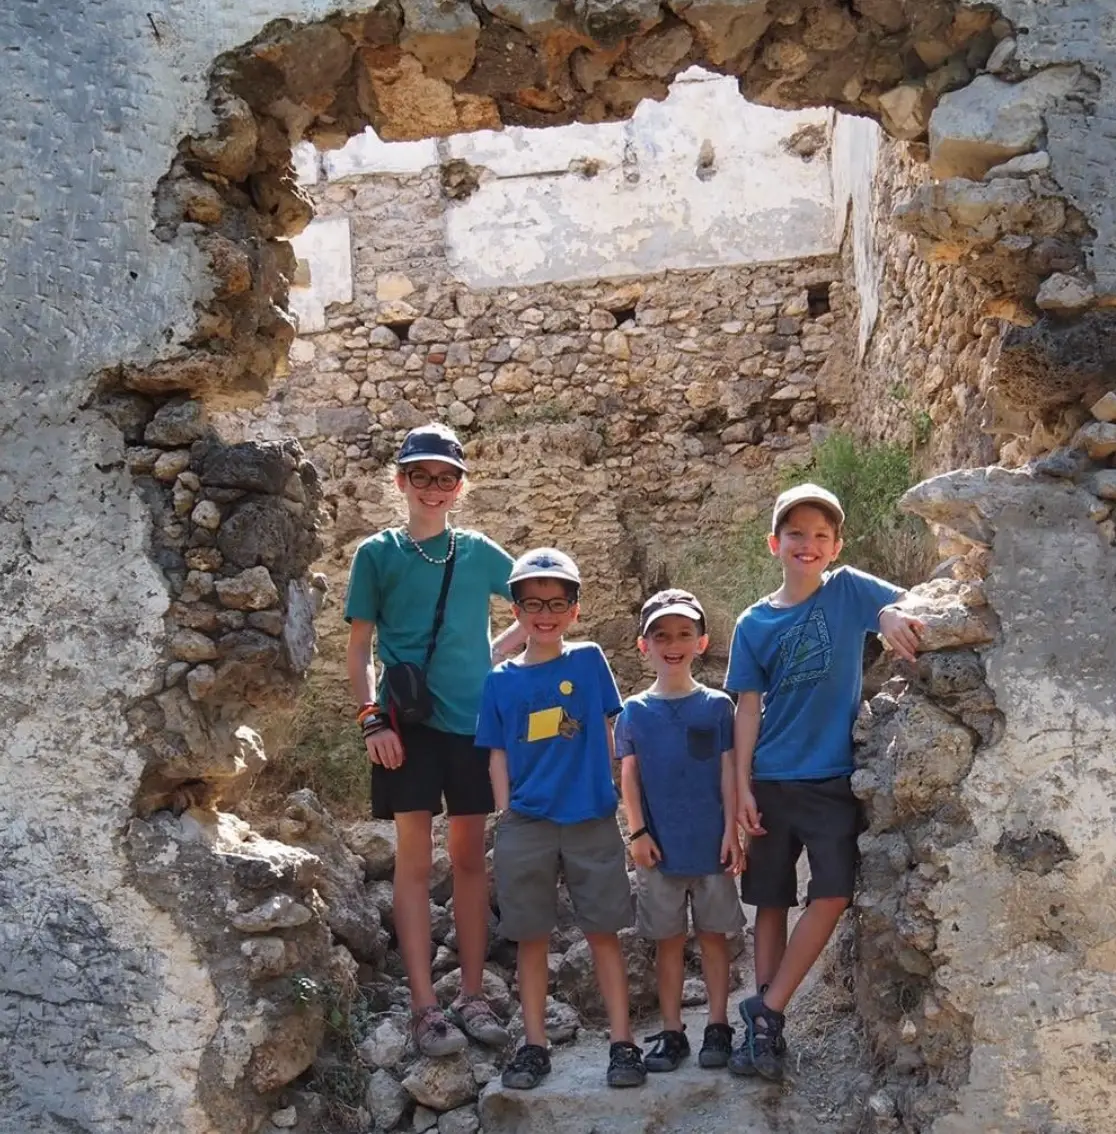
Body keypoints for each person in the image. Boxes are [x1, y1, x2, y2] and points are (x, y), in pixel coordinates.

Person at [724, 482, 925, 1081]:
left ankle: (770, 1003)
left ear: (836, 546)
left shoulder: (848, 590)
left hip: (833, 778)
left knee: (833, 892)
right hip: (771, 778)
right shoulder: (752, 622)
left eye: (819, 535)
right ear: (774, 544)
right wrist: (740, 789)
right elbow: (747, 709)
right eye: (795, 534)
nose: (806, 544)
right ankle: (765, 1030)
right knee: (769, 901)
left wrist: (889, 615)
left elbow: (900, 605)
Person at [344, 423, 526, 1057]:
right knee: (415, 865)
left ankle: (472, 993)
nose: (433, 487)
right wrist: (371, 717)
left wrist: (492, 656)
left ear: (460, 486)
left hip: (474, 725)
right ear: (400, 481)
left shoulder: (477, 551)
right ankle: (425, 1006)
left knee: (473, 860)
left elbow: (536, 604)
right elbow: (360, 645)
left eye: (446, 477)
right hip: (407, 726)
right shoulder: (378, 553)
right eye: (420, 475)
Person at [476, 548, 647, 1092]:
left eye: (556, 603)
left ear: (574, 608)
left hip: (590, 818)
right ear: (517, 611)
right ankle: (534, 1045)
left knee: (604, 934)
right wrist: (505, 815)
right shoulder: (499, 680)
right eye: (532, 604)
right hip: (526, 823)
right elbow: (497, 752)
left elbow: (612, 730)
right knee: (531, 938)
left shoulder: (589, 659)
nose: (544, 614)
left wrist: (619, 796)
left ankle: (623, 1044)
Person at [615, 589, 744, 1074]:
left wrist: (733, 832)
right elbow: (629, 776)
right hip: (659, 849)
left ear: (702, 642)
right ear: (643, 645)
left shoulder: (717, 707)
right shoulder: (634, 711)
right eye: (661, 635)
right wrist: (638, 832)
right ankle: (672, 1031)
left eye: (684, 633)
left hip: (711, 843)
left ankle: (717, 1025)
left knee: (714, 936)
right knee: (667, 941)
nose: (673, 643)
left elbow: (729, 772)